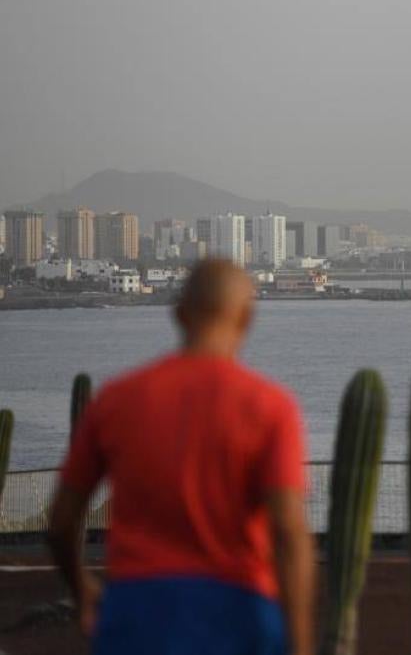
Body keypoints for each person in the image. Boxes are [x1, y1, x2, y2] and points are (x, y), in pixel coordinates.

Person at [47, 258, 314, 655]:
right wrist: (301, 644)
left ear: (179, 314)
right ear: (245, 319)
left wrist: (81, 586)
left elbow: (62, 521)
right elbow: (289, 533)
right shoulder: (271, 408)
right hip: (239, 611)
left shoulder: (117, 400)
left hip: (137, 612)